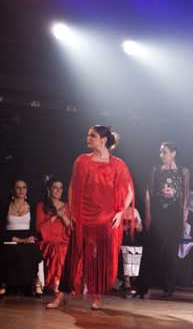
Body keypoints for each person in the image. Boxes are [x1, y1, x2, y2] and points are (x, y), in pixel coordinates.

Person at [46, 125, 134, 310]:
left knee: (99, 259)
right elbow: (72, 187)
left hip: (105, 218)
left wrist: (120, 212)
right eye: (87, 135)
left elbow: (128, 193)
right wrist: (73, 212)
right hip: (84, 216)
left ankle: (96, 296)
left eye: (92, 136)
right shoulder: (82, 161)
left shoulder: (118, 164)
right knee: (73, 256)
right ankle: (61, 295)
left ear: (103, 140)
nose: (88, 138)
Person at [140, 141, 189, 298]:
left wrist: (184, 218)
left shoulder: (183, 171)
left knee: (171, 250)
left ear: (173, 154)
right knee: (152, 248)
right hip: (158, 212)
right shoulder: (155, 170)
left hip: (175, 213)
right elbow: (149, 192)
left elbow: (185, 197)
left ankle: (169, 286)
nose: (161, 155)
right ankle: (143, 285)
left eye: (164, 152)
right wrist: (148, 214)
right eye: (160, 152)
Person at [0, 179, 43, 297]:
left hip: (27, 237)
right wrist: (16, 239)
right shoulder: (5, 207)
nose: (21, 190)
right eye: (18, 187)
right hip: (10, 238)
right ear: (12, 190)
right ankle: (4, 283)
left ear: (27, 190)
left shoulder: (32, 207)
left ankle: (34, 282)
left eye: (24, 187)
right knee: (9, 251)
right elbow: (2, 229)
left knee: (33, 250)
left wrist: (31, 237)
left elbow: (35, 227)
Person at [36, 177, 72, 294]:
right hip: (48, 240)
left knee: (67, 248)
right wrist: (56, 215)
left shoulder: (67, 206)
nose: (58, 191)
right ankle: (56, 283)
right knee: (57, 249)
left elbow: (71, 227)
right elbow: (39, 228)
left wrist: (63, 216)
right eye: (55, 188)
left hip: (63, 238)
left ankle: (66, 283)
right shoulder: (41, 205)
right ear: (49, 189)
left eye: (60, 188)